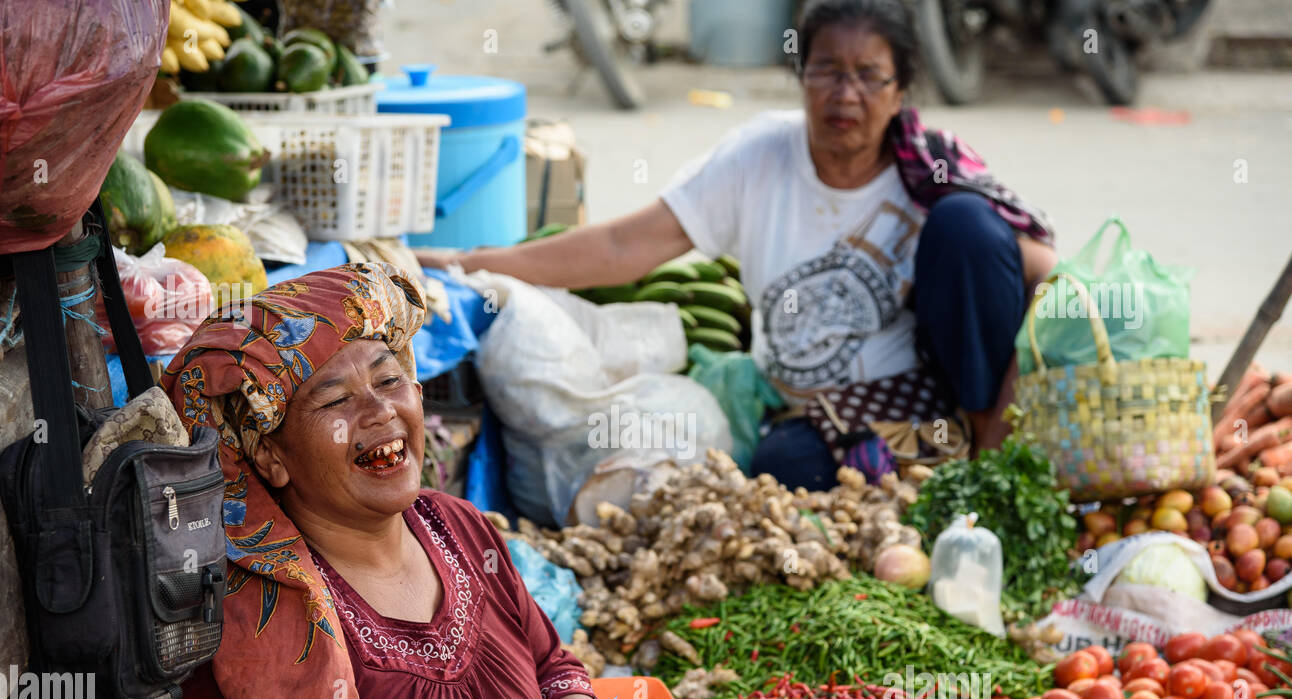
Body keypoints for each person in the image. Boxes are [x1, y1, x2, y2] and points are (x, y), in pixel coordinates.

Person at [163, 262, 738, 699]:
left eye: (389, 382)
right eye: (334, 399)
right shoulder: (266, 619)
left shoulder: (454, 526)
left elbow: (549, 665)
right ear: (270, 455)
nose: (380, 413)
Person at [418, 0, 1058, 488]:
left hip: (938, 395)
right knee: (783, 466)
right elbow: (622, 247)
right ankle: (940, 465)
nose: (846, 94)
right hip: (828, 417)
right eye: (827, 71)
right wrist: (471, 263)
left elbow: (1048, 277)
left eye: (869, 76)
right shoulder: (760, 157)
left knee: (968, 226)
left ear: (900, 90)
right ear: (801, 74)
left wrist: (1003, 415)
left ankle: (976, 445)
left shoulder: (931, 171)